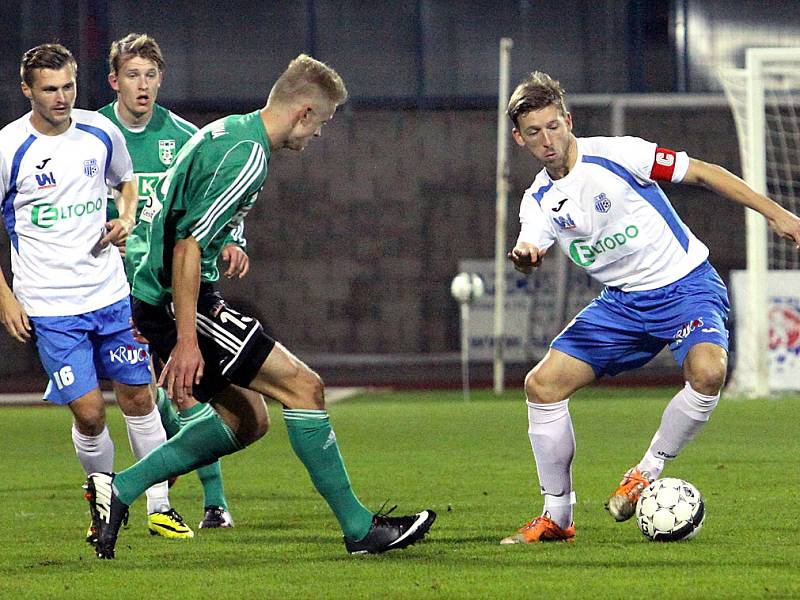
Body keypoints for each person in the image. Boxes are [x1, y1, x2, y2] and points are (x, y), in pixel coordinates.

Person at [84, 53, 436, 559]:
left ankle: (116, 490)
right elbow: (186, 246)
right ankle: (360, 529)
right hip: (182, 302)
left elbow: (174, 217)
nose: (318, 136)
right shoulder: (249, 153)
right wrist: (183, 339)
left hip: (162, 299)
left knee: (249, 420)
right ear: (303, 114)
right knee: (304, 387)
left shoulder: (227, 131)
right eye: (322, 123)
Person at [501, 71, 800, 544]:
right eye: (534, 132)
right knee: (542, 386)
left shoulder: (620, 155)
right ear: (520, 139)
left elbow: (704, 172)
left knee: (707, 373)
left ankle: (647, 470)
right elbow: (529, 245)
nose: (548, 140)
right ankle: (557, 518)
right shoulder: (538, 199)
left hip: (686, 287)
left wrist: (779, 215)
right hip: (621, 306)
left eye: (554, 126)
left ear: (569, 120)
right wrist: (525, 257)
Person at [0, 44, 192, 541]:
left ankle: (159, 505)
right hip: (49, 305)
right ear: (27, 91)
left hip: (109, 296)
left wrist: (126, 218)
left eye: (68, 86)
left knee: (139, 398)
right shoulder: (8, 148)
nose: (62, 97)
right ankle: (103, 501)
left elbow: (126, 182)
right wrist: (6, 298)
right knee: (89, 414)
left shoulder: (99, 132)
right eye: (49, 89)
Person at [98, 32, 256, 529]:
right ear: (114, 81)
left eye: (150, 76)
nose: (142, 86)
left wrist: (234, 240)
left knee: (188, 389)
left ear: (160, 80)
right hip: (106, 287)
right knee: (139, 398)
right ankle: (129, 490)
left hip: (166, 286)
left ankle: (214, 504)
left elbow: (220, 192)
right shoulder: (92, 134)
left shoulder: (186, 136)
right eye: (132, 76)